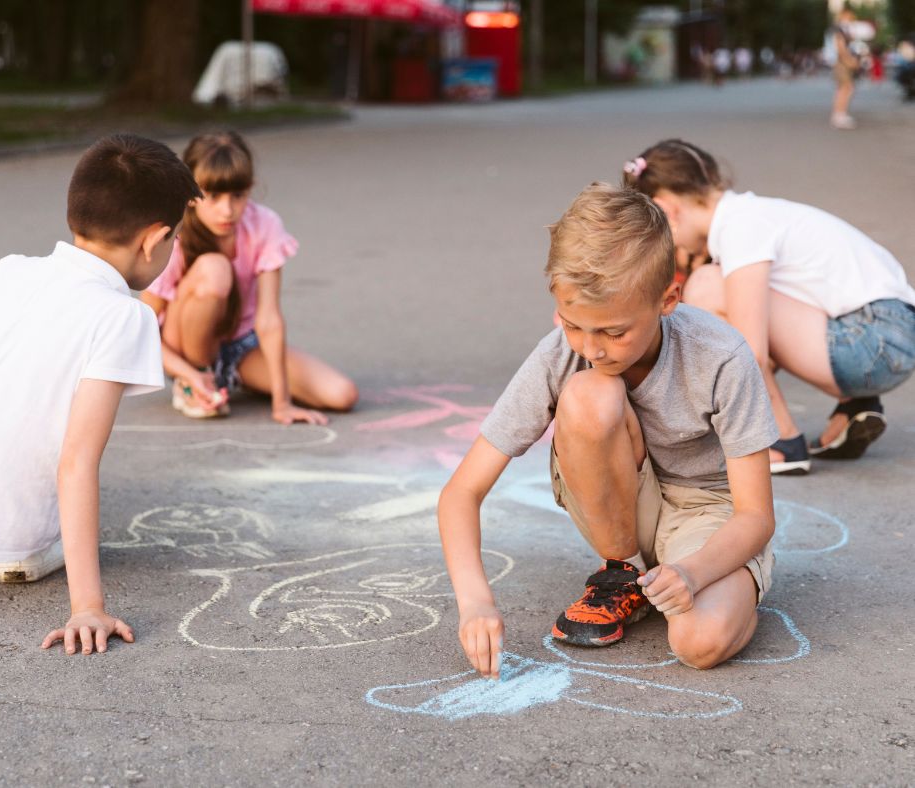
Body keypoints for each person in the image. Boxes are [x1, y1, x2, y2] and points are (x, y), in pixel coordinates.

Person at [439, 184, 778, 676]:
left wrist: (693, 572)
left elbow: (755, 515)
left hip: (710, 514)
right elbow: (461, 492)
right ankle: (623, 573)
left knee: (699, 643)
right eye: (573, 324)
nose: (592, 347)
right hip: (631, 507)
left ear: (669, 299)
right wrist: (474, 603)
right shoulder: (562, 353)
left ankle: (736, 591)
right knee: (587, 393)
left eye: (615, 332)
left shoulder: (720, 355)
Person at [0, 134, 201, 654]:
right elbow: (77, 460)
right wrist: (88, 607)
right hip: (9, 532)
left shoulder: (10, 269)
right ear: (154, 240)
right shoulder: (124, 314)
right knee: (68, 489)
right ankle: (26, 548)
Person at [623, 139, 915, 474]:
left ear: (667, 210)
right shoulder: (753, 214)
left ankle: (780, 441)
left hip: (873, 342)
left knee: (707, 287)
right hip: (889, 334)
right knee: (739, 297)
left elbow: (752, 351)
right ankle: (854, 406)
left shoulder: (740, 229)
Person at [141, 131, 358, 424]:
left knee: (342, 394)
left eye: (238, 196)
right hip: (185, 349)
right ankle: (197, 381)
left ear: (250, 189)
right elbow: (142, 329)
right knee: (215, 268)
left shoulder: (264, 224)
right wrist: (188, 373)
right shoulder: (175, 236)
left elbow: (269, 320)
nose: (227, 210)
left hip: (242, 346)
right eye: (213, 196)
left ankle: (230, 379)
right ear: (191, 195)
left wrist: (282, 403)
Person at [831, 9, 861, 129]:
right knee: (845, 89)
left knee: (845, 89)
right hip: (842, 64)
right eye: (848, 18)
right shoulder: (839, 32)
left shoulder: (845, 31)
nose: (849, 20)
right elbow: (841, 49)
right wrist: (851, 61)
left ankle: (840, 114)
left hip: (843, 63)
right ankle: (839, 115)